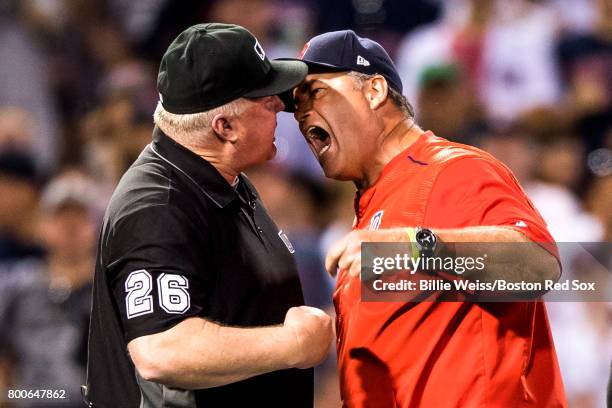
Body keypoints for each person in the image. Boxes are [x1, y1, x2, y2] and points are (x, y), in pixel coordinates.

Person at [290, 30, 567, 407]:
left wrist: (413, 245)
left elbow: (537, 265)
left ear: (373, 92)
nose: (302, 112)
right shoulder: (370, 212)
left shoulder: (452, 170)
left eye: (315, 91)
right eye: (296, 102)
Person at [85, 23, 333, 408]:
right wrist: (292, 344)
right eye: (267, 101)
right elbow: (162, 349)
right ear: (225, 127)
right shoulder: (157, 205)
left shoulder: (218, 177)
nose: (282, 107)